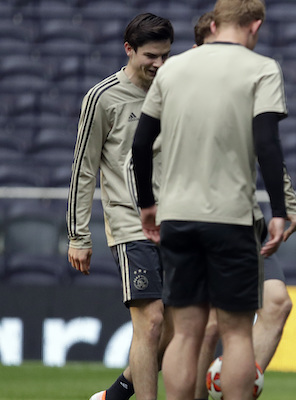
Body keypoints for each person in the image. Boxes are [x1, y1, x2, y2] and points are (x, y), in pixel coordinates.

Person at [130, 0, 288, 399]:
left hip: (178, 216)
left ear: (214, 24)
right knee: (236, 334)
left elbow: (142, 142)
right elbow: (267, 145)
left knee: (184, 331)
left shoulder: (174, 69)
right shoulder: (262, 69)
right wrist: (279, 211)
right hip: (231, 218)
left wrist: (149, 204)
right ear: (255, 26)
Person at [189, 11, 296, 400]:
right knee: (205, 324)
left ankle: (236, 385)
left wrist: (285, 204)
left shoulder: (245, 85)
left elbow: (267, 148)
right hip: (196, 215)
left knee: (278, 302)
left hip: (244, 215)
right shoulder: (180, 89)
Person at [66, 13, 173, 400]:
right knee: (151, 322)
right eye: (150, 56)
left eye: (165, 55)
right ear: (128, 49)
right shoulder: (102, 97)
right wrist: (79, 235)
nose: (158, 64)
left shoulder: (174, 89)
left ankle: (117, 394)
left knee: (178, 330)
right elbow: (83, 170)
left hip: (177, 222)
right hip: (130, 224)